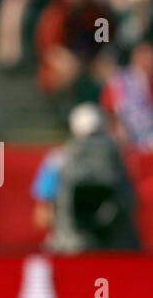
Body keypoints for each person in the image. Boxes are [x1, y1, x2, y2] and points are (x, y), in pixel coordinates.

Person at [32, 103, 141, 252]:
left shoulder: (56, 160)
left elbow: (43, 217)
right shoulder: (119, 162)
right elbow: (130, 203)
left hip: (71, 248)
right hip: (115, 249)